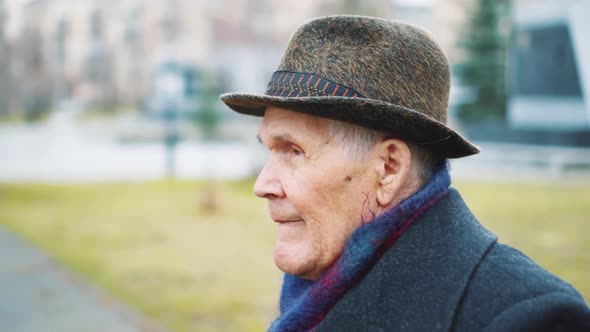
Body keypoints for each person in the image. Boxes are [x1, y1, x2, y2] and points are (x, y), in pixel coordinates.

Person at [221, 15, 590, 331]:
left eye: (294, 151)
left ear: (389, 169)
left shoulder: (526, 318)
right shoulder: (318, 287)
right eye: (269, 149)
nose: (262, 185)